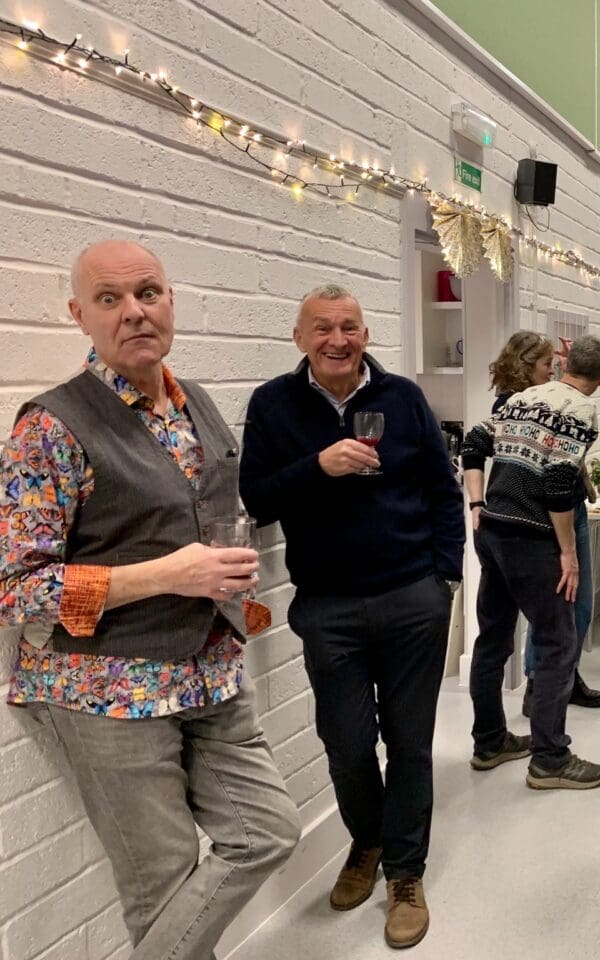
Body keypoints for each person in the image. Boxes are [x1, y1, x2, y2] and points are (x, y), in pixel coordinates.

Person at [1, 241, 299, 957]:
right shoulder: (50, 425)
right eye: (109, 299)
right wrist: (170, 574)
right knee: (164, 887)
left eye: (148, 292)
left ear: (171, 302)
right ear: (80, 315)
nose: (134, 311)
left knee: (267, 832)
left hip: (209, 672)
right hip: (107, 689)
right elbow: (19, 590)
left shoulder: (195, 401)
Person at [239, 283, 463, 948]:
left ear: (365, 334)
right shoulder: (273, 405)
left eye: (349, 327)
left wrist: (445, 577)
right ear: (300, 337)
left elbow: (442, 490)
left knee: (410, 743)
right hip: (327, 605)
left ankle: (405, 872)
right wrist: (319, 465)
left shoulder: (404, 399)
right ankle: (367, 840)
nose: (337, 340)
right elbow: (256, 498)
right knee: (346, 742)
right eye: (323, 328)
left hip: (412, 597)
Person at [462, 335, 600, 791]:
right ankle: (550, 758)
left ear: (566, 365)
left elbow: (473, 443)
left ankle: (489, 742)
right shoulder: (580, 410)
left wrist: (476, 504)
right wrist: (568, 552)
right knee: (558, 643)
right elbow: (558, 483)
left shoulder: (523, 398)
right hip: (531, 537)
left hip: (493, 530)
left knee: (492, 640)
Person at [489, 331, 600, 713]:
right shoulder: (517, 404)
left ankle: (563, 677)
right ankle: (542, 689)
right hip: (546, 517)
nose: (552, 369)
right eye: (546, 364)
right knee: (555, 606)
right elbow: (553, 476)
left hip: (564, 508)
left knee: (576, 604)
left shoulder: (555, 399)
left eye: (557, 364)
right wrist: (567, 548)